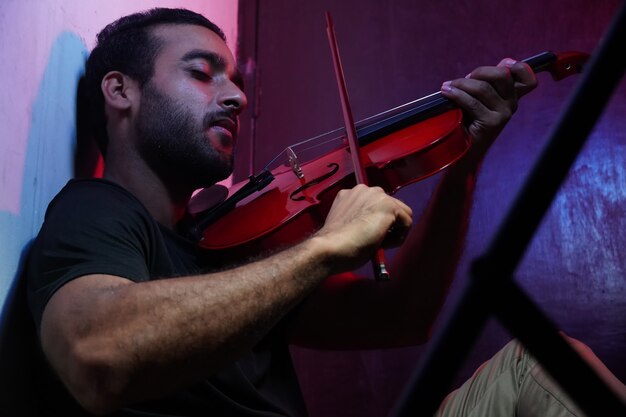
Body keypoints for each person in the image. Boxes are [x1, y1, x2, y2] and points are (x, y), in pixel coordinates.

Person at [24, 7, 625, 417]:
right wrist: (321, 248)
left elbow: (400, 318)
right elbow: (93, 354)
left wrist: (464, 159)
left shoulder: (230, 249)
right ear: (120, 91)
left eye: (234, 80)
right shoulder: (97, 210)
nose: (234, 96)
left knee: (539, 366)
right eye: (202, 74)